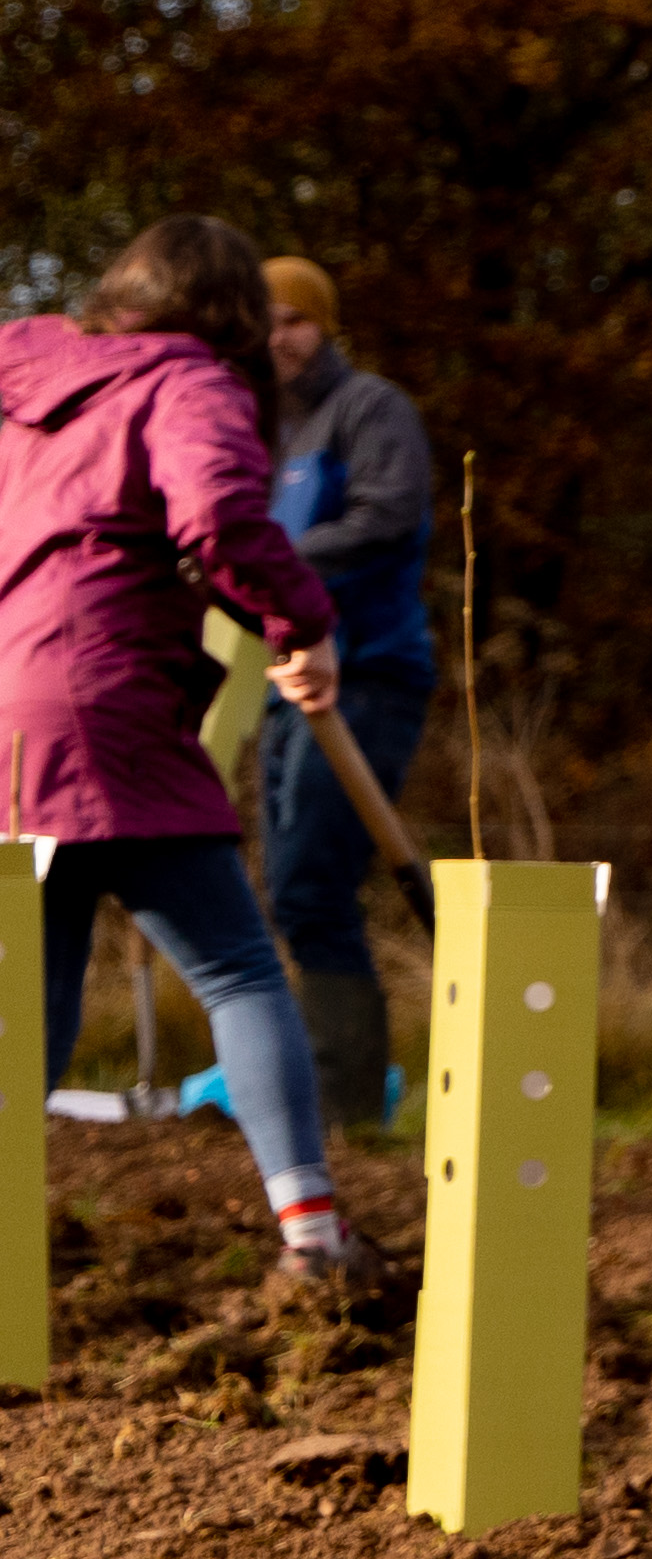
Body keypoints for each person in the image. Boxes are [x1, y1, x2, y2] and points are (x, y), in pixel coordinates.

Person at [0, 218, 357, 1279]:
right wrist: (303, 626)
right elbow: (222, 521)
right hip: (103, 704)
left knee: (37, 985)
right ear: (233, 314)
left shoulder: (23, 371)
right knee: (240, 970)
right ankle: (315, 1235)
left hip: (10, 704)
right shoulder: (186, 381)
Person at [253, 257, 436, 1129]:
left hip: (366, 676)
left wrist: (267, 566)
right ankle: (328, 1096)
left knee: (312, 888)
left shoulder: (369, 409)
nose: (275, 337)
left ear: (322, 326)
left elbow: (388, 515)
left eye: (292, 320)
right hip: (287, 680)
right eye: (263, 322)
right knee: (292, 890)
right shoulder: (266, 429)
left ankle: (349, 1103)